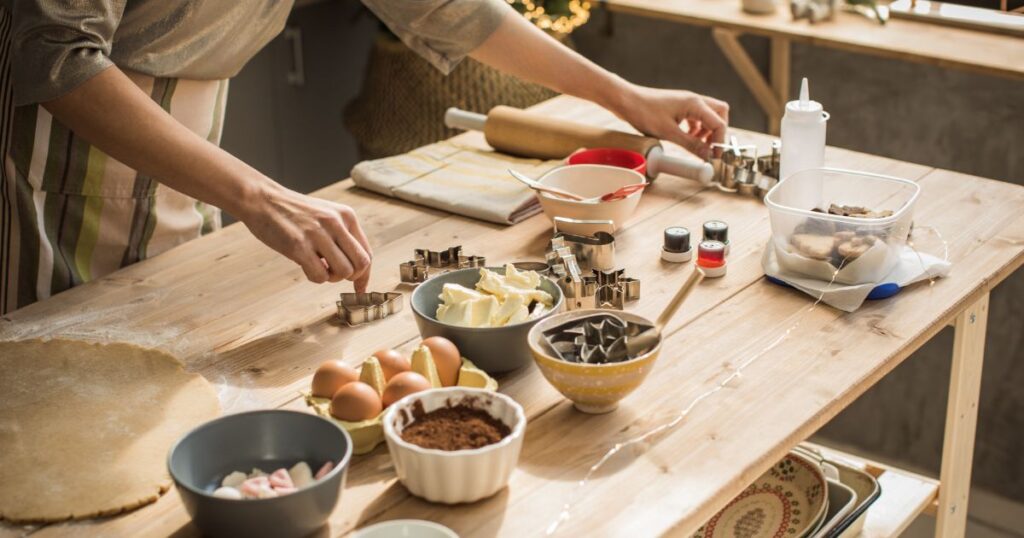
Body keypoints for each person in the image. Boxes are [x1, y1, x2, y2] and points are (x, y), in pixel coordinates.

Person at [0, 0, 729, 315]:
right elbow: (54, 55)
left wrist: (626, 98)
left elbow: (447, 10)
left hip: (186, 160)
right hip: (56, 163)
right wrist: (259, 196)